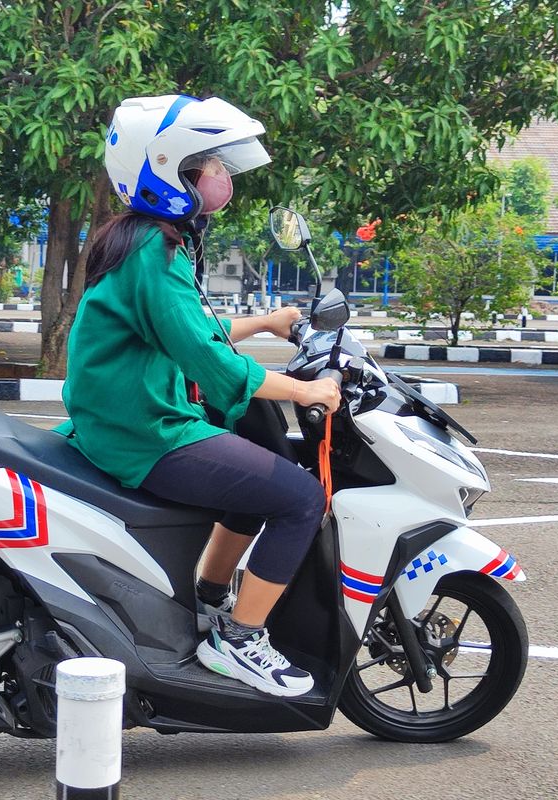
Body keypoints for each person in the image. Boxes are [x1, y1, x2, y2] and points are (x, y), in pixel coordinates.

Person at [59, 95, 341, 697]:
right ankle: (238, 641)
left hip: (126, 419)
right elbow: (214, 367)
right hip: (145, 432)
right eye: (209, 162)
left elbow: (185, 336)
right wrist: (307, 388)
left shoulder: (141, 240)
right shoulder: (154, 253)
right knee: (298, 497)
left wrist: (263, 325)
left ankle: (210, 599)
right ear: (170, 170)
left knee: (258, 475)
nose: (222, 174)